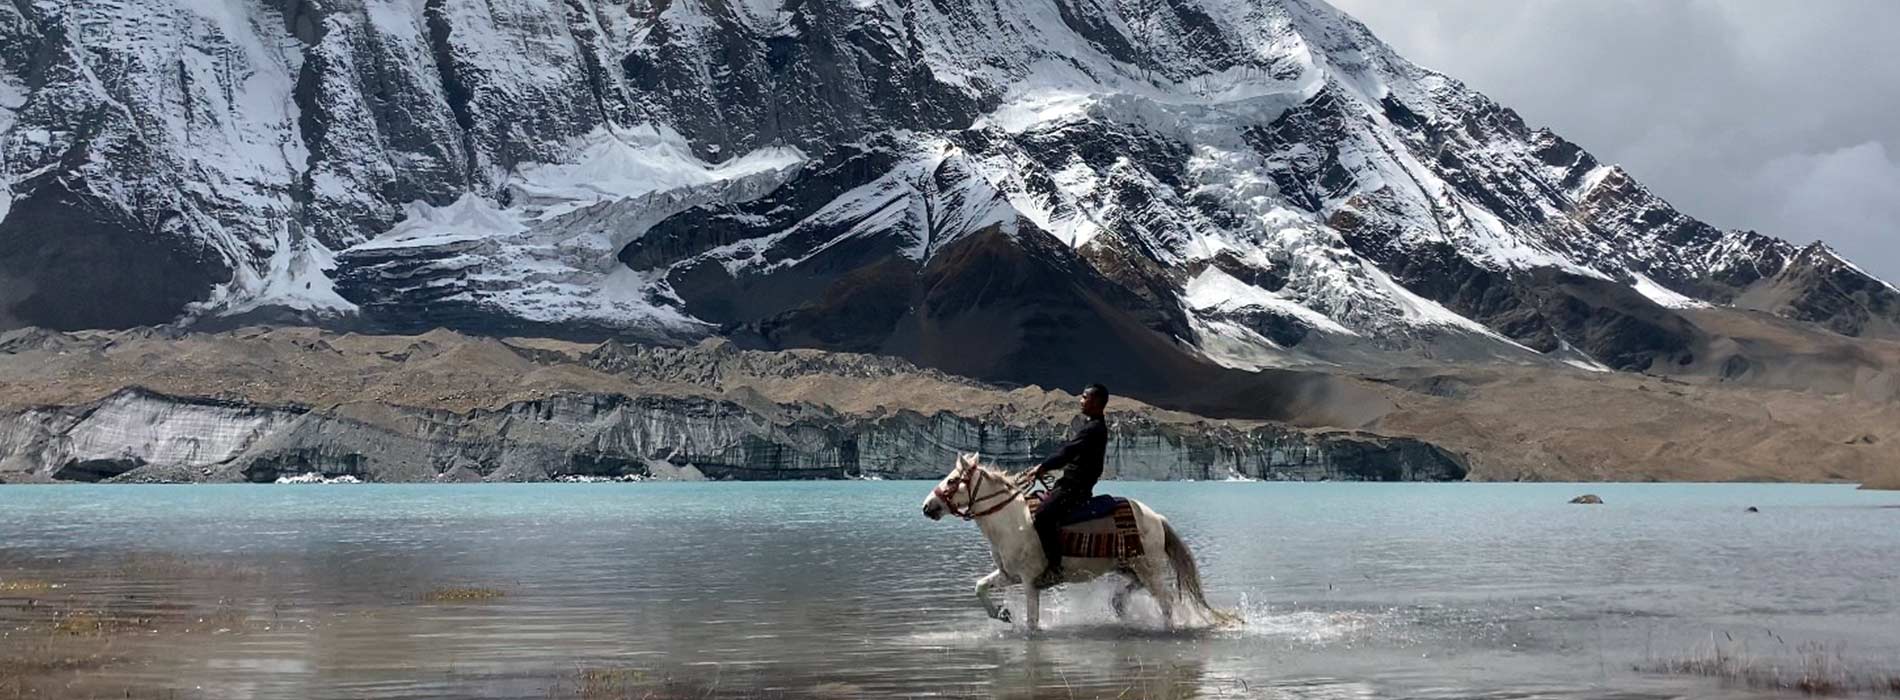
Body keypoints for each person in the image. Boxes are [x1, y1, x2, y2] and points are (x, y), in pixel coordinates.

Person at [1021, 383, 1109, 589]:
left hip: (1075, 488)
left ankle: (1054, 568)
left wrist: (1042, 468)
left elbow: (1067, 452)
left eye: (1084, 397)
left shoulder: (1093, 429)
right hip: (1071, 484)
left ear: (1095, 402)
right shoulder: (1093, 425)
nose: (1081, 400)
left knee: (1042, 516)